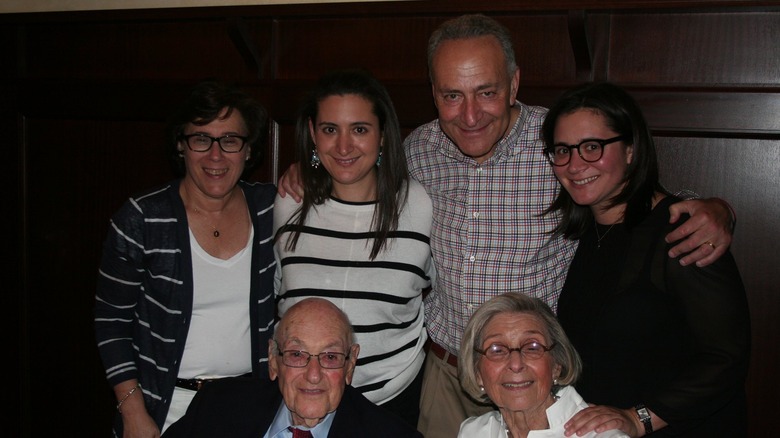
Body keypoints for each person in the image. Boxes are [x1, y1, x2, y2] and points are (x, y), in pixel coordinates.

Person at [277, 14, 735, 437]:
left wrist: (707, 208)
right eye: (452, 95)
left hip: (531, 377)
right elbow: (354, 167)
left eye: (487, 92)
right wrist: (308, 170)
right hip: (445, 377)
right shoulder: (417, 151)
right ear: (433, 91)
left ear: (514, 84)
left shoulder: (557, 145)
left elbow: (626, 188)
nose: (470, 115)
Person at [539, 82, 751, 437]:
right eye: (563, 150)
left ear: (631, 150)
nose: (574, 165)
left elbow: (726, 359)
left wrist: (640, 418)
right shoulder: (592, 233)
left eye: (592, 147)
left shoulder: (684, 231)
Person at [94, 80, 277, 437]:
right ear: (181, 145)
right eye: (200, 139)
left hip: (252, 407)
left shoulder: (273, 209)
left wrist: (306, 172)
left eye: (230, 140)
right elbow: (111, 322)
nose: (215, 155)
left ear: (248, 149)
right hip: (164, 411)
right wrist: (132, 411)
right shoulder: (142, 218)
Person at [273, 69, 434, 427]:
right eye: (330, 130)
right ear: (313, 134)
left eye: (359, 129)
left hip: (391, 401)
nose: (344, 146)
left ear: (383, 137)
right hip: (301, 397)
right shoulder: (289, 203)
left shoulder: (418, 206)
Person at [162, 297, 423, 438]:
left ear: (350, 364)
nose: (313, 375)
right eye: (297, 354)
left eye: (330, 357)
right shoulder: (217, 407)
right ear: (273, 359)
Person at [458, 292, 628, 438]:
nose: (516, 364)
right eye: (497, 350)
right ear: (478, 373)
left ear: (556, 365)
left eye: (532, 347)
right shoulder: (474, 432)